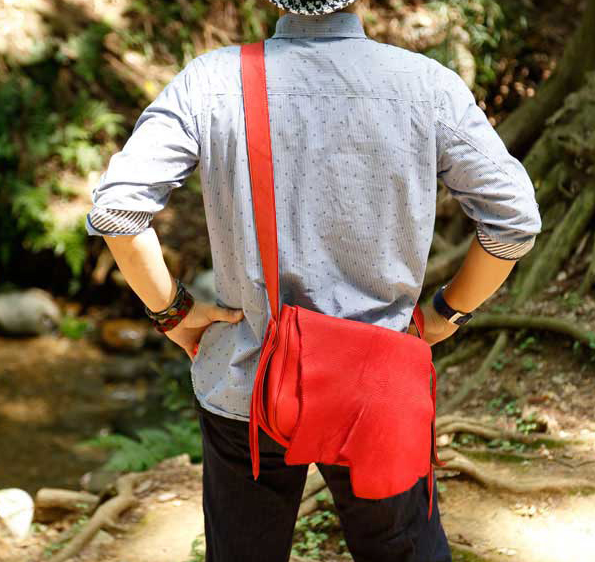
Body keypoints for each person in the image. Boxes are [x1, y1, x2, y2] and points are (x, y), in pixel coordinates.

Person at [85, 0, 542, 560]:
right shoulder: (428, 87)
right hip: (375, 385)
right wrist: (446, 314)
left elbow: (118, 212)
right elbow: (514, 221)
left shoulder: (211, 81)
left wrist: (173, 312)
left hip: (249, 380)